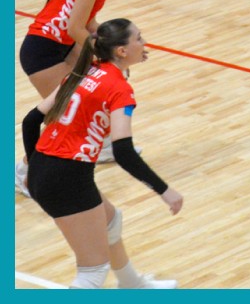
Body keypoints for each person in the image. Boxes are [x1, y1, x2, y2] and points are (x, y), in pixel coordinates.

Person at [22, 18, 182, 289]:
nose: (144, 43)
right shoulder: (119, 90)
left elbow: (30, 121)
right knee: (92, 272)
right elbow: (123, 152)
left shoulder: (83, 73)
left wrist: (32, 169)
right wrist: (165, 191)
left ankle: (132, 285)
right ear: (121, 50)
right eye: (139, 38)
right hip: (66, 177)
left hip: (44, 169)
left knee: (111, 220)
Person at [16, 0, 143, 195]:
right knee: (65, 116)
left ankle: (103, 145)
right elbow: (75, 28)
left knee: (98, 91)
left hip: (64, 46)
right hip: (44, 52)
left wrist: (109, 51)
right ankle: (24, 171)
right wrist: (106, 55)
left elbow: (89, 23)